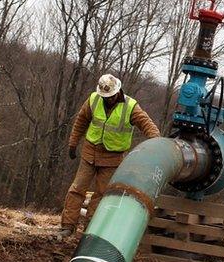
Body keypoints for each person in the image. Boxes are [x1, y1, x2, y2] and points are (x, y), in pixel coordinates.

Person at [58, 74, 161, 237]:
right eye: (105, 96)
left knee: (101, 194)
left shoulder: (131, 107)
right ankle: (67, 226)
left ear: (117, 91)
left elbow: (147, 124)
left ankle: (90, 229)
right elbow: (81, 122)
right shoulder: (93, 100)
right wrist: (73, 143)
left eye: (111, 96)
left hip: (112, 158)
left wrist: (156, 143)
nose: (108, 99)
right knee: (77, 189)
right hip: (90, 152)